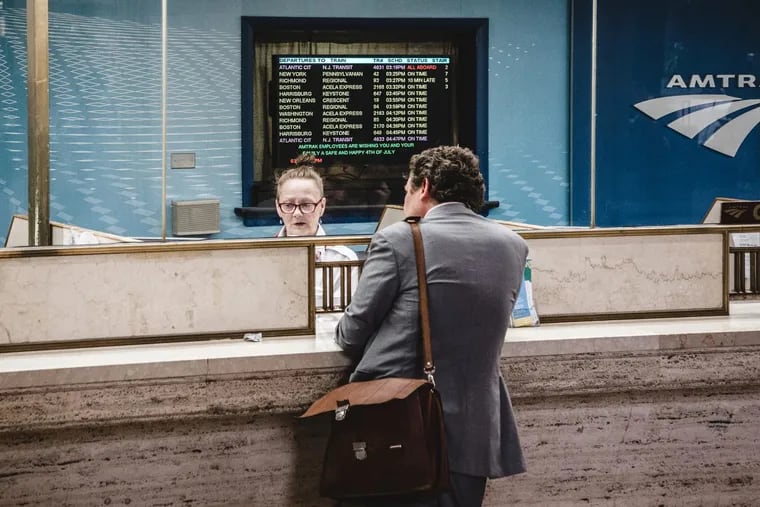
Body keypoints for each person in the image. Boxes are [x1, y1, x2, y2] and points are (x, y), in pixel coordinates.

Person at [335, 145, 528, 507]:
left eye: (406, 189)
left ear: (423, 187)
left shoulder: (398, 239)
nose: (404, 199)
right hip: (474, 433)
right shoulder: (513, 245)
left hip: (401, 425)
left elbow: (352, 332)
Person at [275, 154, 358, 309]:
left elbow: (344, 317)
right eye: (288, 205)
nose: (297, 213)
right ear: (278, 207)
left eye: (306, 205)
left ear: (322, 206)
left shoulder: (343, 260)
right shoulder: (262, 256)